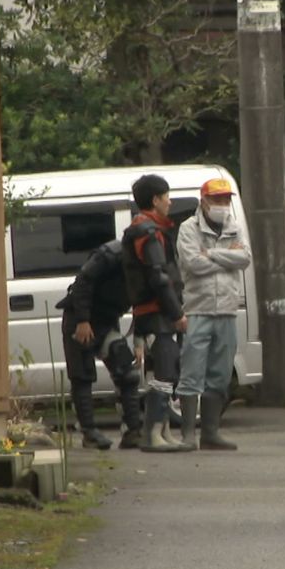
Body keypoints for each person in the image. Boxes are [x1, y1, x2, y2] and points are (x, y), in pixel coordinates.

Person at [175, 178, 250, 450]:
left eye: (225, 199)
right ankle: (187, 435)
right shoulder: (188, 228)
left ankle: (210, 433)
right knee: (191, 371)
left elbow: (245, 259)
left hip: (227, 309)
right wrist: (226, 258)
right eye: (217, 199)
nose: (222, 204)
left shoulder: (233, 226)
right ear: (203, 200)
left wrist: (213, 254)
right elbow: (193, 263)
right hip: (198, 308)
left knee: (220, 373)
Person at [121, 174, 192, 453]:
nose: (170, 201)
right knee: (164, 369)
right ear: (155, 200)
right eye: (166, 197)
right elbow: (158, 277)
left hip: (154, 311)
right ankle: (153, 434)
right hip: (157, 311)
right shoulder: (147, 232)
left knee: (168, 369)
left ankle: (163, 431)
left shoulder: (150, 230)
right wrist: (176, 312)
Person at [55, 240, 143, 450]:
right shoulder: (110, 255)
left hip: (106, 321)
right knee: (83, 376)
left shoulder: (148, 266)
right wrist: (83, 321)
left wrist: (139, 342)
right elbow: (82, 282)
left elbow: (143, 305)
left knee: (127, 373)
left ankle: (133, 431)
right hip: (80, 318)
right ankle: (89, 433)